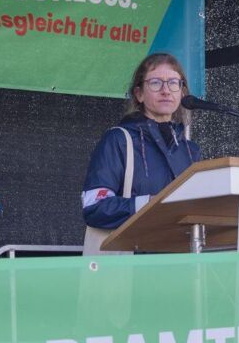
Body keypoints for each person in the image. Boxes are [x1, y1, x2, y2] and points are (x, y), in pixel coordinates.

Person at [82, 53, 202, 247]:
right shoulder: (119, 139)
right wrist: (150, 204)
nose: (166, 91)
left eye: (173, 83)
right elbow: (94, 207)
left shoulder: (191, 151)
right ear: (138, 94)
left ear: (182, 92)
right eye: (155, 83)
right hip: (129, 266)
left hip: (178, 262)